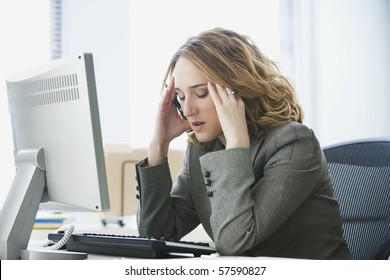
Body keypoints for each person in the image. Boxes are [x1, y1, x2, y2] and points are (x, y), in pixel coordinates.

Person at [135, 28, 352, 259]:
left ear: (236, 89)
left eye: (200, 94)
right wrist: (159, 145)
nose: (188, 110)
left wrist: (236, 143)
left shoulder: (294, 144)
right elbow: (156, 235)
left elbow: (234, 241)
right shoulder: (201, 149)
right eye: (180, 97)